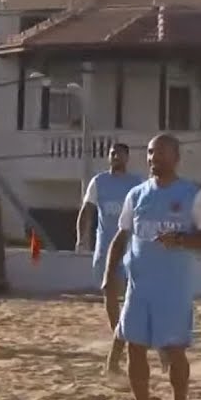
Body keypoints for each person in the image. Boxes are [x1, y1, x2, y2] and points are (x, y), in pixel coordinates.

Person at [103, 134, 201, 400]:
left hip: (173, 288)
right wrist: (109, 273)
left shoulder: (192, 194)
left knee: (174, 349)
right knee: (134, 347)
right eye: (151, 153)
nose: (154, 158)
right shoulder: (136, 195)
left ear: (176, 157)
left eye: (162, 153)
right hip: (139, 286)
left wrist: (180, 239)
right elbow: (121, 236)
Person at [76, 143, 147, 374]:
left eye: (120, 153)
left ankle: (122, 342)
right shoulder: (99, 182)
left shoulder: (137, 183)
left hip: (131, 250)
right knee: (109, 293)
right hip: (105, 248)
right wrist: (81, 238)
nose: (116, 157)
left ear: (127, 157)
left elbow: (146, 213)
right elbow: (86, 210)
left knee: (131, 298)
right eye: (112, 153)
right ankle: (119, 335)